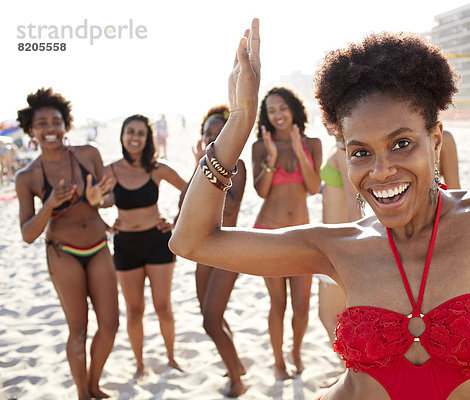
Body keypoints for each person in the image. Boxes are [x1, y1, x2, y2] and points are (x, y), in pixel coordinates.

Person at [171, 9, 470, 399]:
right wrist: (240, 121)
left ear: (434, 142)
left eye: (401, 143)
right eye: (360, 152)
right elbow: (192, 241)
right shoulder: (337, 246)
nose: (381, 171)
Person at [15, 88, 118, 400]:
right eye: (42, 123)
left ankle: (94, 383)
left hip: (99, 246)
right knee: (78, 330)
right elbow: (28, 233)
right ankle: (82, 394)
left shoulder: (88, 154)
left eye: (56, 121)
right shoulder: (27, 176)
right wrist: (48, 205)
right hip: (63, 254)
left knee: (110, 326)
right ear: (31, 131)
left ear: (66, 125)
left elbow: (110, 197)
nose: (50, 128)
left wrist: (98, 200)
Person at [106, 114, 186, 378]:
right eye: (130, 132)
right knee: (134, 309)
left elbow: (189, 191)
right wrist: (103, 224)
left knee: (163, 306)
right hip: (125, 244)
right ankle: (139, 364)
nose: (135, 137)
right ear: (122, 135)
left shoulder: (157, 168)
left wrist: (175, 222)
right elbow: (89, 199)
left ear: (148, 138)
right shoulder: (111, 170)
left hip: (157, 241)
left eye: (140, 133)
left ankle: (172, 357)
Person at [251, 86, 322, 379]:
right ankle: (279, 361)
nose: (277, 114)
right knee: (277, 304)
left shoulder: (312, 142)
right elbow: (260, 191)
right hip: (269, 233)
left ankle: (295, 350)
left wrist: (298, 151)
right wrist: (270, 156)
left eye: (282, 108)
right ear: (266, 116)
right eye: (271, 110)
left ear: (293, 108)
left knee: (302, 307)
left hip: (302, 236)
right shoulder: (260, 146)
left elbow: (314, 187)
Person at [180, 105, 248, 396]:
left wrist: (208, 169)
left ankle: (237, 380)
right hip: (204, 249)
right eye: (208, 132)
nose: (212, 136)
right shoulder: (203, 165)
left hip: (229, 249)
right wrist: (199, 167)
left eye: (218, 131)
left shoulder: (238, 165)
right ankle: (237, 365)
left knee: (210, 320)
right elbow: (185, 203)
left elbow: (229, 205)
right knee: (211, 317)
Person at [317, 120, 361, 388]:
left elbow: (353, 203)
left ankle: (354, 373)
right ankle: (351, 370)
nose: (326, 123)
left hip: (340, 248)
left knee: (329, 314)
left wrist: (355, 251)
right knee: (341, 316)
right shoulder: (341, 149)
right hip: (335, 245)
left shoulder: (344, 152)